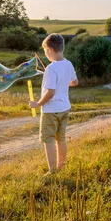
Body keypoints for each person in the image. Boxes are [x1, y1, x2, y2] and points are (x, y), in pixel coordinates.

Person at [29, 34, 78, 175]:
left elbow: (50, 93)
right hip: (65, 108)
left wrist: (37, 104)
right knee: (60, 139)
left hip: (51, 110)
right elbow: (75, 82)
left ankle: (52, 171)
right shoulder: (68, 64)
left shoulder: (51, 68)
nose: (45, 53)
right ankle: (61, 167)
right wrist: (63, 81)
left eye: (45, 50)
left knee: (48, 139)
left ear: (50, 50)